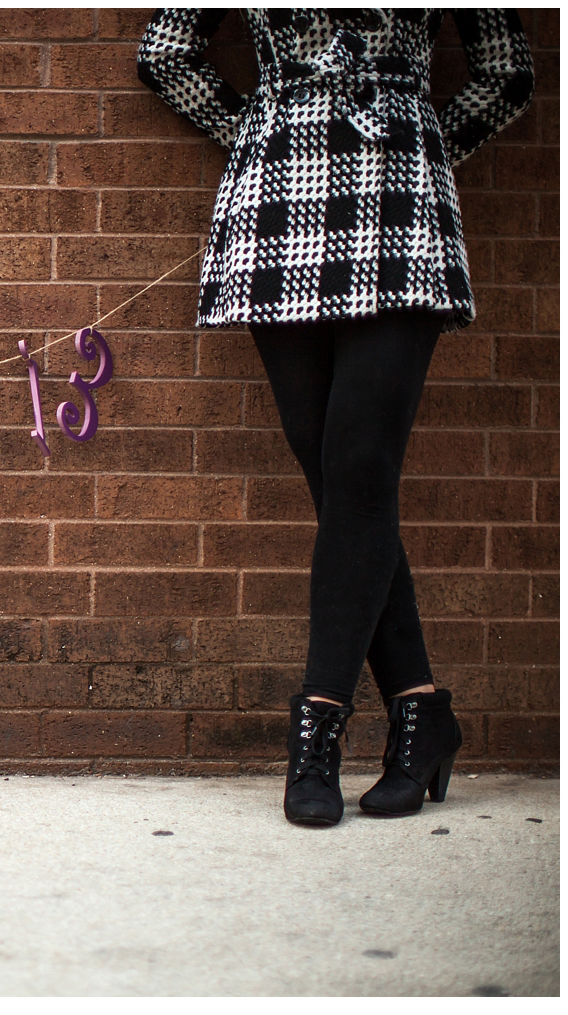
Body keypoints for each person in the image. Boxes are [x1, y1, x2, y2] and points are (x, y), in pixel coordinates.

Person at [137, 10, 533, 824]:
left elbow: (506, 71)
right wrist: (266, 125)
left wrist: (416, 138)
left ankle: (315, 731)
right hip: (280, 198)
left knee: (360, 468)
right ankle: (421, 714)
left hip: (401, 202)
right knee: (336, 478)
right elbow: (166, 53)